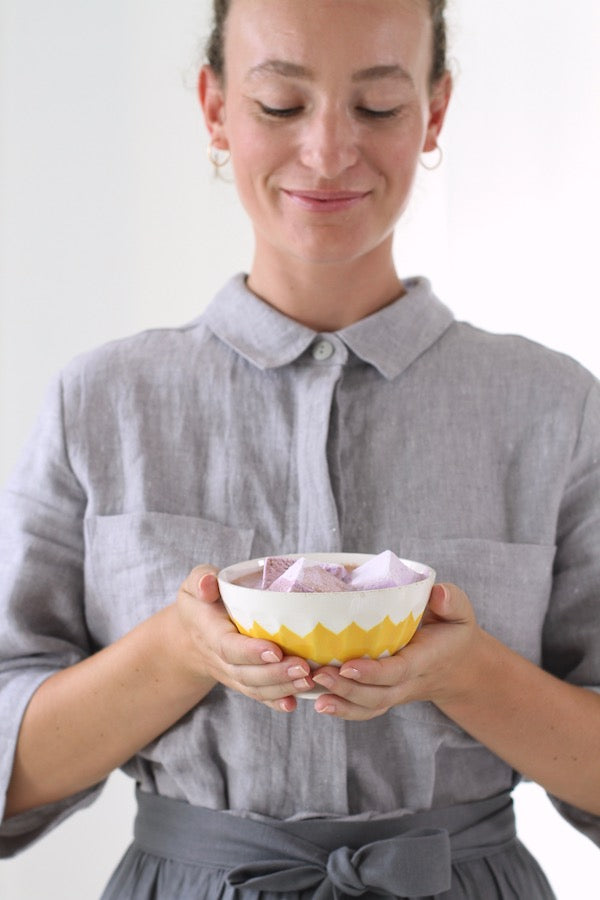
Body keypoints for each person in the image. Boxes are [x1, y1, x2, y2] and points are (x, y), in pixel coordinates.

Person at [1, 0, 599, 897]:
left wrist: (469, 672)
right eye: (281, 105)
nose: (327, 152)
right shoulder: (101, 402)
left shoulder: (553, 407)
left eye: (379, 107)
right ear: (215, 109)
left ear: (435, 112)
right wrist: (177, 653)